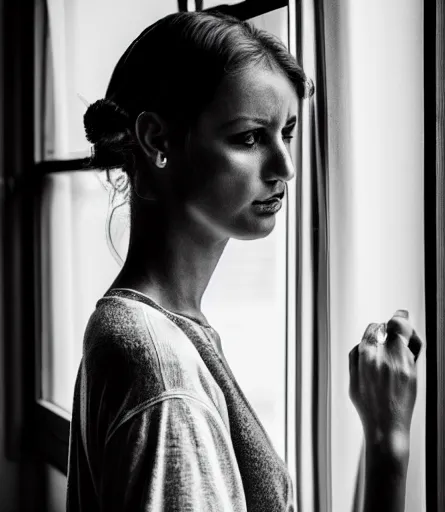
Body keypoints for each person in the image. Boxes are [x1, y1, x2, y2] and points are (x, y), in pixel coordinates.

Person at [66, 11, 422, 512]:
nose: (286, 168)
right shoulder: (163, 375)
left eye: (288, 133)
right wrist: (389, 449)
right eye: (249, 138)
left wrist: (379, 432)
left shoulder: (144, 328)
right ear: (157, 141)